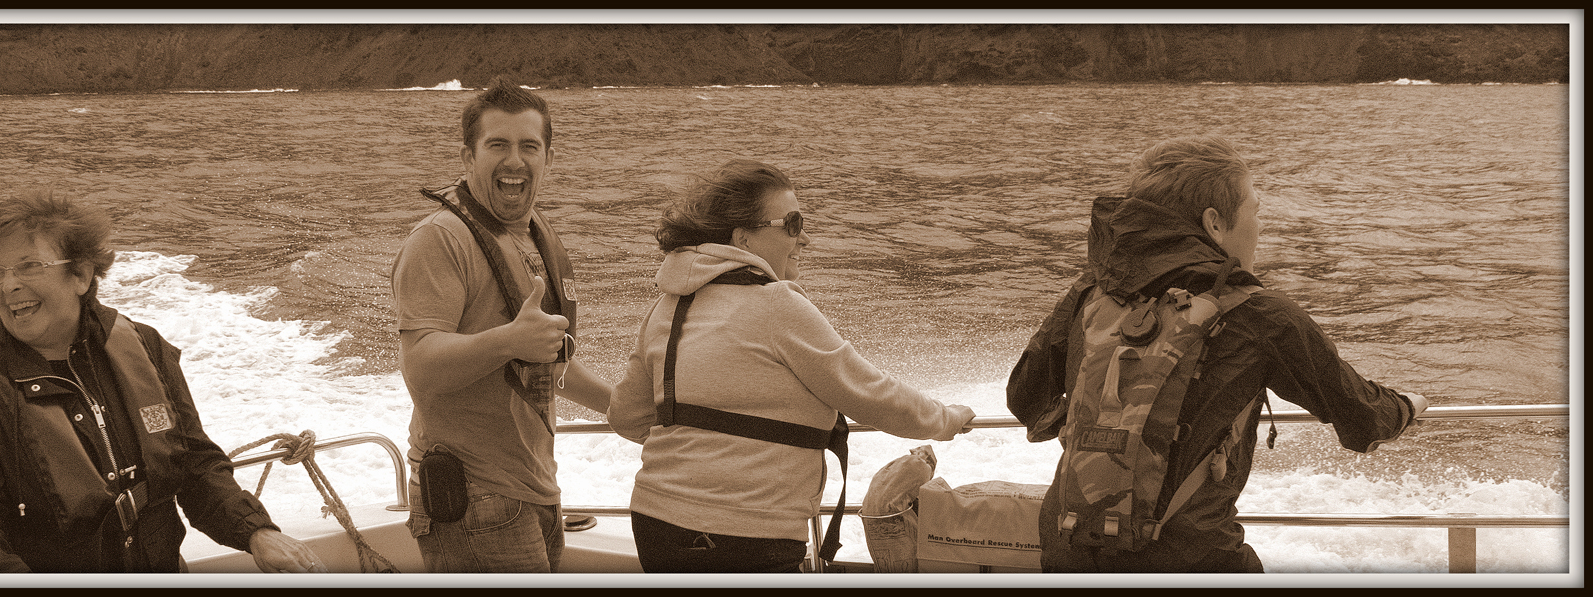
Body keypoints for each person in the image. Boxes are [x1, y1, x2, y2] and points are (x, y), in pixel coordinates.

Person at [1005, 136, 1429, 573]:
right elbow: (1363, 420)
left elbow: (1023, 397)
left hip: (1068, 549)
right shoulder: (1260, 314)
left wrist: (1103, 425)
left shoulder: (1091, 291)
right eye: (1255, 212)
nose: (1259, 228)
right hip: (1192, 559)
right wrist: (1407, 406)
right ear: (1214, 224)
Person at [0, 188, 327, 573]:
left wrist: (256, 532)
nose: (8, 285)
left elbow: (194, 465)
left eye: (29, 266)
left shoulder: (145, 348)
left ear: (81, 275)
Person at [609, 159, 977, 573]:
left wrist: (702, 448)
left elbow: (626, 415)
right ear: (743, 238)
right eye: (792, 224)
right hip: (744, 534)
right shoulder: (776, 304)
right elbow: (870, 393)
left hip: (654, 522)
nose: (804, 238)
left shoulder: (668, 306)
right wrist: (946, 419)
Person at [390, 77, 613, 573]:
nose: (515, 160)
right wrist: (509, 340)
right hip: (473, 498)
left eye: (529, 146)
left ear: (549, 158)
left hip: (536, 489)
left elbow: (550, 362)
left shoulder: (535, 237)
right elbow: (420, 368)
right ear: (468, 157)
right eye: (497, 145)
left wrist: (622, 410)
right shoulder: (438, 241)